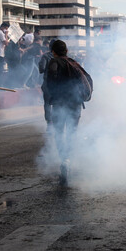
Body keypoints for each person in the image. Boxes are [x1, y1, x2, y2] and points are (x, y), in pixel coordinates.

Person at [46, 39, 89, 185]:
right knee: (71, 133)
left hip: (59, 104)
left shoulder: (54, 62)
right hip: (75, 104)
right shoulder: (74, 63)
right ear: (67, 51)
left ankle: (63, 159)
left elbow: (49, 83)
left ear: (53, 51)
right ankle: (67, 161)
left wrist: (52, 96)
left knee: (59, 133)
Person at [38, 39, 55, 132]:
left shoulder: (45, 56)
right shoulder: (64, 57)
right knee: (59, 104)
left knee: (48, 104)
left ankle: (49, 123)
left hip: (48, 84)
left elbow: (41, 69)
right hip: (60, 85)